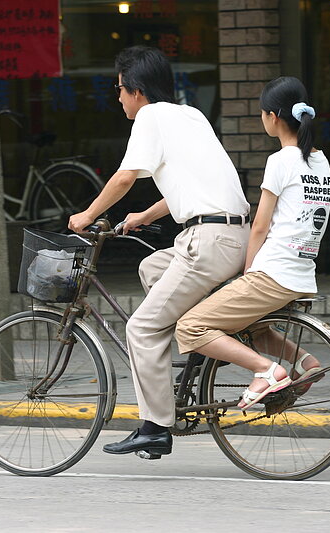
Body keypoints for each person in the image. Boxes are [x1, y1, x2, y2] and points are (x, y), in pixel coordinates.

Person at [68, 46, 250, 458]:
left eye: (119, 89)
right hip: (229, 236)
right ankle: (185, 344)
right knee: (153, 265)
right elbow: (197, 184)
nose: (118, 98)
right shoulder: (190, 115)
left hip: (207, 242)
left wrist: (87, 214)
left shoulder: (150, 117)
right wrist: (144, 214)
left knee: (141, 329)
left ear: (136, 89)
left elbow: (124, 176)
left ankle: (154, 427)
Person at [175, 76, 330, 410]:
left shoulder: (281, 160)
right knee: (251, 327)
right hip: (302, 274)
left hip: (273, 272)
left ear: (273, 117)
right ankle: (304, 362)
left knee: (190, 327)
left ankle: (266, 371)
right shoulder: (322, 162)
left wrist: (248, 271)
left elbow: (259, 226)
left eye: (262, 114)